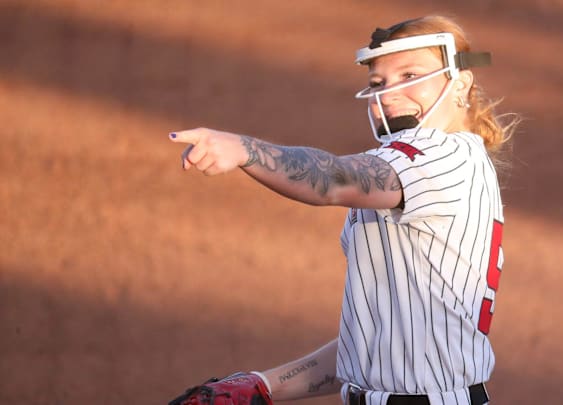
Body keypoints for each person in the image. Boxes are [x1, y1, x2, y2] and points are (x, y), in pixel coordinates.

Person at [168, 15, 518, 405]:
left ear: (461, 82)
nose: (389, 94)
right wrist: (263, 386)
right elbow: (373, 346)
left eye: (410, 75)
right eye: (378, 84)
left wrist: (244, 150)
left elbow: (334, 180)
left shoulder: (443, 155)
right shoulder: (427, 167)